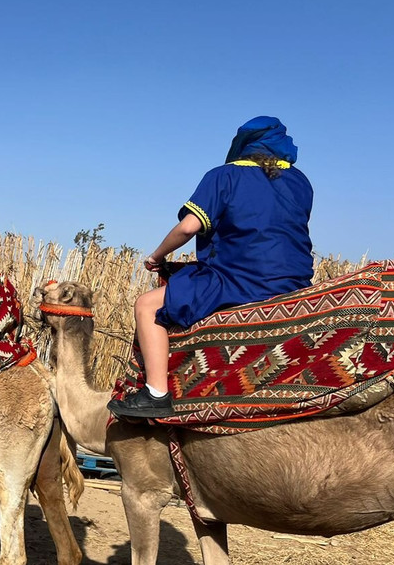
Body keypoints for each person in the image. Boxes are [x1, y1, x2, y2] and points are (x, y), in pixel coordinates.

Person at [107, 116, 314, 419]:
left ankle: (155, 393)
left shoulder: (224, 176)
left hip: (239, 279)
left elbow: (189, 227)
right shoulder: (301, 182)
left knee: (147, 306)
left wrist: (156, 256)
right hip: (294, 283)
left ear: (243, 145)